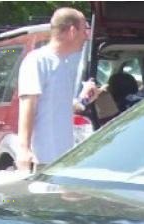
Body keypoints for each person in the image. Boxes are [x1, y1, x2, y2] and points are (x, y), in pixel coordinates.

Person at [17, 7, 99, 170]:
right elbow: (28, 106)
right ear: (72, 31)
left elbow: (59, 106)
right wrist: (23, 149)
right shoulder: (38, 61)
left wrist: (84, 99)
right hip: (43, 159)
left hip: (63, 159)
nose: (86, 37)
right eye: (85, 30)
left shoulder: (64, 63)